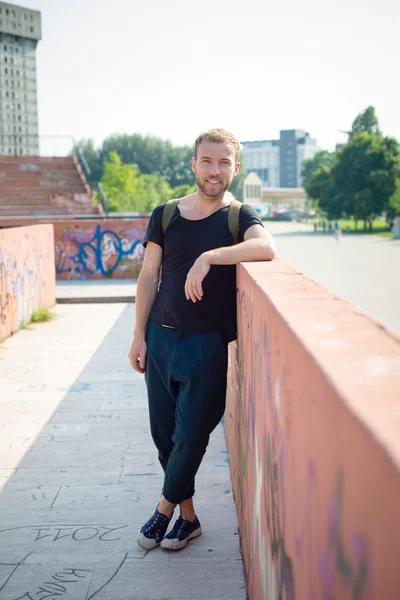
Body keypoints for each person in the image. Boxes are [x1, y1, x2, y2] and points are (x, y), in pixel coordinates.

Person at [128, 128, 276, 552]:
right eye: (207, 161)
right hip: (159, 338)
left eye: (223, 162)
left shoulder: (238, 217)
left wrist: (209, 257)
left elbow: (266, 248)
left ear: (236, 168)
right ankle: (188, 518)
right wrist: (139, 335)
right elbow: (148, 277)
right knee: (165, 436)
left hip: (206, 344)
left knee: (191, 434)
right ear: (194, 164)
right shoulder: (167, 213)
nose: (214, 170)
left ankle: (162, 510)